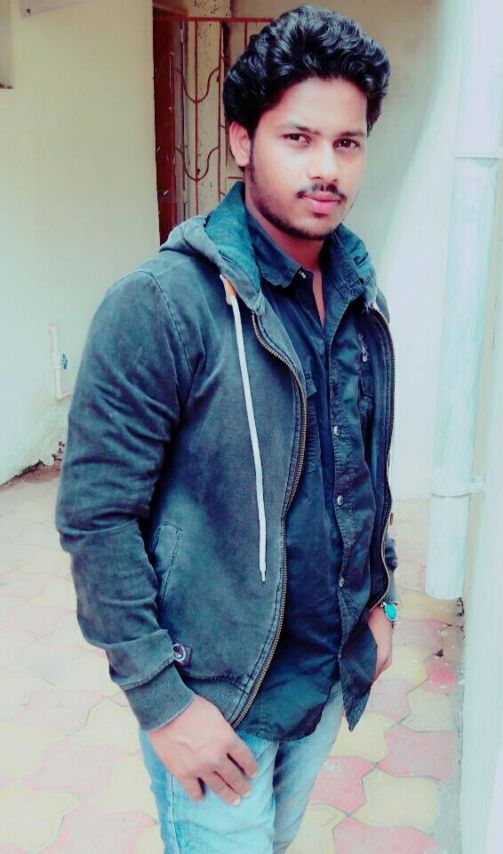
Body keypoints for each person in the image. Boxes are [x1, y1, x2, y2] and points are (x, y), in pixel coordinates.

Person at [55, 5, 398, 852]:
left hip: (323, 681)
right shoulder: (161, 306)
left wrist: (380, 597)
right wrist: (162, 703)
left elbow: (361, 465)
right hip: (218, 705)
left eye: (347, 143)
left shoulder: (357, 290)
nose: (327, 168)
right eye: (298, 138)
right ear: (243, 140)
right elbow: (97, 518)